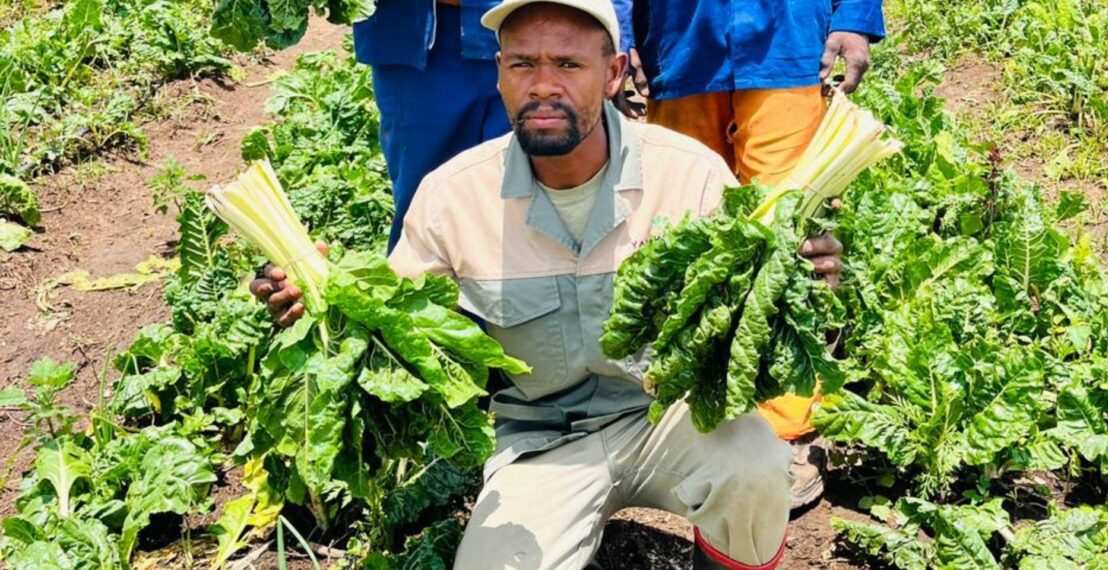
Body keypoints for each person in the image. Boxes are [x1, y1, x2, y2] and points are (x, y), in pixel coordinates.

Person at [253, 1, 844, 567]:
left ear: (612, 74)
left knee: (756, 461)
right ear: (499, 74)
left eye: (568, 65)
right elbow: (407, 332)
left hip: (672, 418)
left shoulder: (687, 173)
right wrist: (324, 300)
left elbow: (751, 323)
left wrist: (801, 274)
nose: (543, 85)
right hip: (541, 443)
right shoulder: (452, 197)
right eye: (522, 64)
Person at [626, 0, 886, 509]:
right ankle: (685, 413)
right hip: (679, 38)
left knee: (791, 238)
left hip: (787, 38)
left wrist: (854, 16)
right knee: (683, 230)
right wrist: (614, 25)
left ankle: (786, 427)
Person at [353, 0, 633, 251]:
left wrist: (614, 35)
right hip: (420, 41)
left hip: (547, 29)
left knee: (547, 197)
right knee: (427, 206)